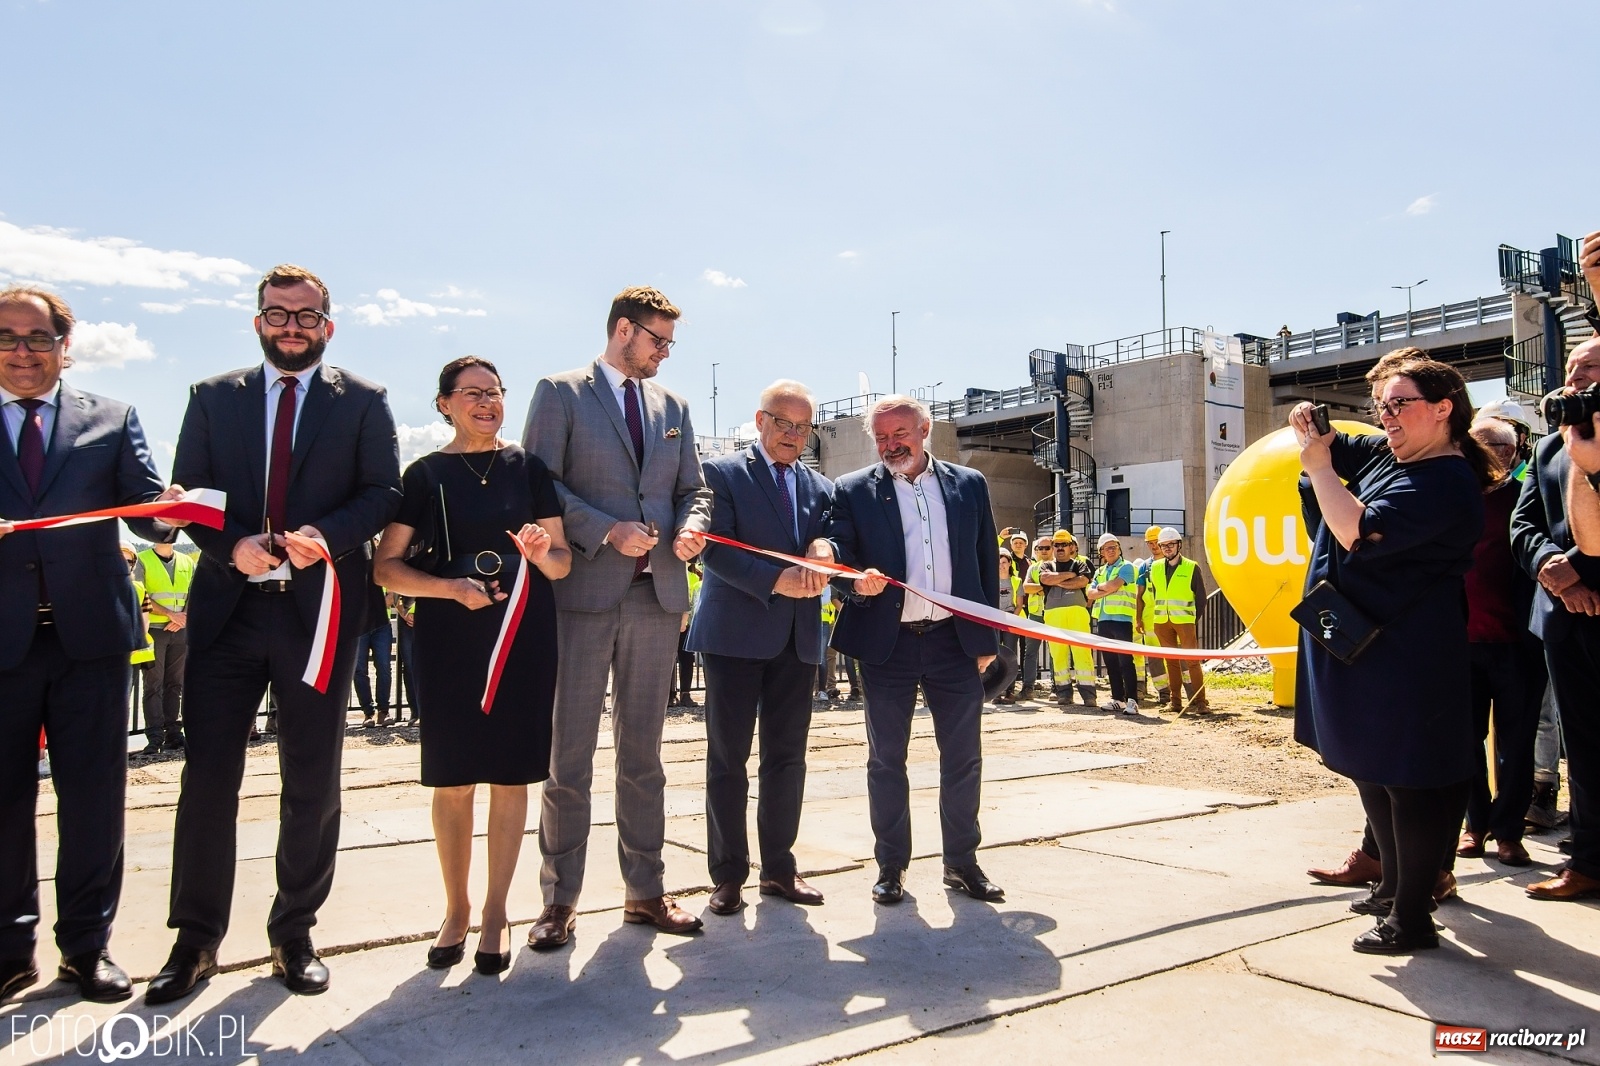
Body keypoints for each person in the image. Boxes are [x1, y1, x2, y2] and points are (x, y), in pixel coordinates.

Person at [146, 265, 402, 1004]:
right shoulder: (212, 397)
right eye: (279, 314)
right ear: (258, 322)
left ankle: (294, 931)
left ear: (328, 325)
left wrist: (325, 535)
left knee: (312, 778)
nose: (293, 326)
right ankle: (195, 940)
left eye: (306, 315)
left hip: (318, 614)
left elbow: (383, 492)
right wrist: (230, 545)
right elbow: (190, 500)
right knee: (207, 779)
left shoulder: (364, 401)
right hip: (227, 614)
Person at [0, 286, 185, 1003]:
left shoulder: (112, 418)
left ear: (63, 346)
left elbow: (147, 514)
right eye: (7, 337)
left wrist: (171, 514)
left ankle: (86, 946)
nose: (22, 351)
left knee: (94, 799)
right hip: (4, 641)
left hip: (92, 640)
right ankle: (10, 950)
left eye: (37, 337)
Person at [521, 286, 713, 947]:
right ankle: (558, 901)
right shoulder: (560, 393)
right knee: (568, 757)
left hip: (655, 598)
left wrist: (691, 527)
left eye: (669, 343)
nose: (665, 353)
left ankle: (645, 892)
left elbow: (694, 489)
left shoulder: (673, 407)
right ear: (624, 330)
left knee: (643, 758)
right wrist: (605, 528)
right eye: (658, 340)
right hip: (580, 596)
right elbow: (539, 483)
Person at [374, 355, 570, 973]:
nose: (487, 403)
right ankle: (455, 910)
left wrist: (539, 553)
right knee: (454, 780)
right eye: (472, 393)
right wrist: (450, 590)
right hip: (450, 635)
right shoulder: (423, 475)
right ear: (445, 404)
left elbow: (562, 562)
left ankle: (495, 912)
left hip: (522, 633)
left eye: (495, 392)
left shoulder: (529, 469)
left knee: (511, 777)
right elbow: (386, 568)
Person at [1293, 348, 1492, 954]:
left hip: (1405, 653)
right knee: (1371, 769)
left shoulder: (1444, 479)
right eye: (1381, 405)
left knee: (1408, 780)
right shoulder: (1395, 454)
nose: (1386, 416)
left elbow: (1355, 531)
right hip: (1359, 645)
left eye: (1400, 404)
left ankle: (1412, 917)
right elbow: (1343, 447)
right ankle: (1392, 889)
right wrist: (1316, 431)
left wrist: (1318, 468)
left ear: (1443, 409)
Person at [828, 395, 1004, 906]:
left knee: (963, 758)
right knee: (886, 759)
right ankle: (891, 866)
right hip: (888, 647)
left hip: (954, 642)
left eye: (899, 434)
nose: (890, 445)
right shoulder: (853, 490)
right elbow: (839, 555)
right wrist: (853, 582)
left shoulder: (969, 484)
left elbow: (984, 561)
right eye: (881, 437)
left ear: (925, 429)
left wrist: (985, 638)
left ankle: (961, 862)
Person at [687, 379, 836, 916]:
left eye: (802, 426)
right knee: (728, 758)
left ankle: (779, 868)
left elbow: (834, 537)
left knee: (787, 758)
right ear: (759, 420)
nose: (792, 434)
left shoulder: (821, 487)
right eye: (783, 422)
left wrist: (826, 546)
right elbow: (715, 548)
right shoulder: (721, 473)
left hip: (798, 637)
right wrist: (777, 581)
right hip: (734, 634)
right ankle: (728, 874)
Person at [1511, 333, 1600, 900]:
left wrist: (1582, 569)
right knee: (1585, 745)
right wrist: (1550, 566)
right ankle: (1588, 860)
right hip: (1565, 619)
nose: (1576, 377)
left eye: (1591, 367)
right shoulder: (1547, 449)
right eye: (1571, 367)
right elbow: (1522, 524)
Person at [1456, 419, 1545, 867]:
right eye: (1481, 444)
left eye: (1500, 446)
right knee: (1465, 740)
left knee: (1517, 742)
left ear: (1512, 453)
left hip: (1517, 643)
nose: (1492, 453)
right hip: (1460, 642)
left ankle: (1509, 831)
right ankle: (1475, 826)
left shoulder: (1526, 500)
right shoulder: (1454, 497)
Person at [134, 540, 194, 754]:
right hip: (154, 630)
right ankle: (155, 736)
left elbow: (193, 592)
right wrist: (171, 615)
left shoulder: (187, 561)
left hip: (180, 630)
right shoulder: (142, 560)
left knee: (175, 684)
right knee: (153, 684)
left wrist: (181, 619)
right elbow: (140, 595)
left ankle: (174, 734)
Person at [1140, 529, 1208, 715]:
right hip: (1162, 622)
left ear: (1179, 545)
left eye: (1171, 544)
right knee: (1171, 662)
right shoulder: (1155, 568)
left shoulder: (1191, 567)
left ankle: (1200, 702)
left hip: (1184, 622)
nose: (1167, 548)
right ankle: (1175, 702)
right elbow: (1157, 593)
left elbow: (1201, 598)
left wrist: (1192, 621)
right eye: (1163, 545)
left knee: (1192, 663)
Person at [1040, 530, 1096, 707]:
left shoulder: (1080, 564)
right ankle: (1063, 693)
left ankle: (1088, 695)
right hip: (1053, 615)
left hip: (1077, 613)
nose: (1060, 548)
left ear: (1071, 546)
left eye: (1064, 544)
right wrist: (1070, 576)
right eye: (1056, 545)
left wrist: (1058, 581)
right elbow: (1045, 579)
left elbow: (1082, 581)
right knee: (1058, 655)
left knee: (1082, 652)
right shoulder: (1046, 565)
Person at [1087, 534, 1139, 715]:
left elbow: (1114, 585)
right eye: (1106, 548)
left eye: (1114, 547)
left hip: (1122, 619)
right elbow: (1090, 594)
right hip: (1104, 620)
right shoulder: (1100, 571)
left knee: (1126, 661)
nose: (1110, 550)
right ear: (1101, 552)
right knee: (1110, 661)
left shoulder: (1127, 567)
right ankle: (1118, 699)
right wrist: (1107, 589)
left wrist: (1103, 588)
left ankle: (1132, 700)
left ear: (1119, 548)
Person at [351, 580, 395, 727]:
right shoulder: (356, 572)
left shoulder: (382, 570)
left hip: (381, 625)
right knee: (359, 670)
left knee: (384, 667)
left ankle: (384, 711)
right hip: (359, 626)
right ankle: (368, 713)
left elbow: (391, 597)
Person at [1131, 525, 1167, 702]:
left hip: (1171, 619)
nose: (1154, 546)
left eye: (1156, 542)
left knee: (1177, 658)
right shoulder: (1144, 567)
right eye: (1150, 543)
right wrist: (1138, 619)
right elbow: (1140, 596)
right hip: (1150, 620)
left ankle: (1187, 693)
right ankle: (1164, 692)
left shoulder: (1173, 564)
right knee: (1154, 659)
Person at [1018, 537, 1054, 696]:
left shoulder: (1056, 566)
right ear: (1036, 551)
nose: (1044, 551)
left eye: (1047, 548)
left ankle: (1056, 687)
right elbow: (1026, 587)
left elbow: (1056, 585)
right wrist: (1045, 586)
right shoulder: (1033, 568)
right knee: (1030, 652)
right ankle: (1028, 687)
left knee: (1055, 652)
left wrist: (1038, 587)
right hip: (1034, 615)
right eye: (1041, 548)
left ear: (1052, 549)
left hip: (1052, 613)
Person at [992, 549, 1024, 704]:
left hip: (1010, 621)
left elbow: (1019, 605)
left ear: (1010, 563)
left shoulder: (1016, 581)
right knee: (995, 654)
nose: (1001, 566)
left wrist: (1011, 619)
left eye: (1004, 562)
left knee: (1010, 654)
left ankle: (1010, 691)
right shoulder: (991, 581)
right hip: (995, 620)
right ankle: (996, 692)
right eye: (998, 563)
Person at [669, 560, 701, 707]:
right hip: (668, 622)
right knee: (668, 661)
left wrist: (684, 620)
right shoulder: (669, 574)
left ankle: (685, 694)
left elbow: (691, 601)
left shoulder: (693, 577)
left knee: (687, 660)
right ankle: (669, 694)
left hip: (686, 625)